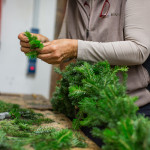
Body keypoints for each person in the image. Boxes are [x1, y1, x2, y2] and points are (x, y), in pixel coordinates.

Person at [18, 0, 150, 146]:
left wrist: (75, 48)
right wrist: (47, 45)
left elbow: (139, 50)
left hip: (129, 111)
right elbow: (67, 44)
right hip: (87, 112)